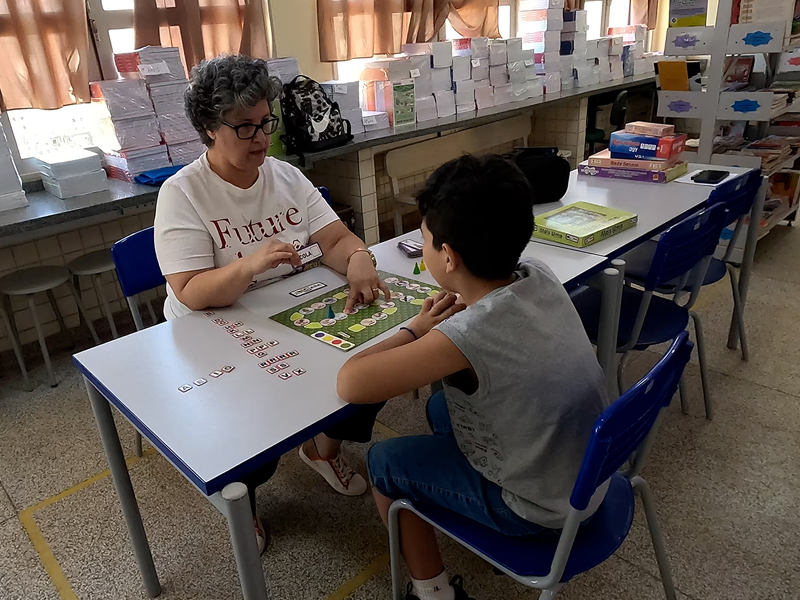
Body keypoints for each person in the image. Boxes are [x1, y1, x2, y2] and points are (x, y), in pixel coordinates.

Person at [337, 155, 610, 600]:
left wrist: (416, 330)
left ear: (448, 257)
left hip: (539, 509)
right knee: (440, 404)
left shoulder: (466, 336)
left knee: (383, 462)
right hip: (587, 476)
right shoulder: (537, 274)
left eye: (424, 239)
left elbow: (351, 382)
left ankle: (433, 592)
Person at [154, 54, 389, 553]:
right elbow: (191, 290)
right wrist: (251, 265)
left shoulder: (285, 176)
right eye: (244, 127)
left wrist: (359, 258)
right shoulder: (183, 193)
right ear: (209, 128)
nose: (261, 138)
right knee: (253, 427)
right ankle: (246, 502)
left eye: (265, 122)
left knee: (377, 366)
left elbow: (334, 239)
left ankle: (322, 450)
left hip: (284, 311)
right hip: (213, 326)